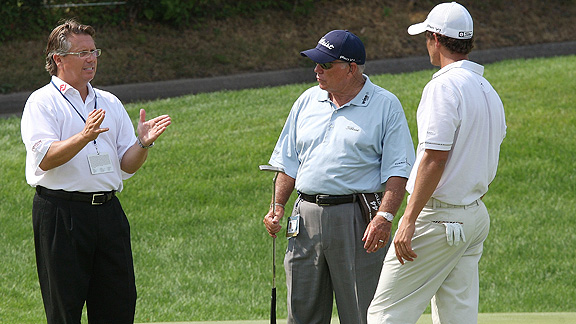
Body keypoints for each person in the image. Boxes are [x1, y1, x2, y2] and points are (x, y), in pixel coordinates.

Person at [21, 19, 171, 324]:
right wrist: (83, 137)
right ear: (58, 59)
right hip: (62, 214)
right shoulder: (42, 102)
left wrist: (142, 144)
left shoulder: (109, 101)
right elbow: (45, 159)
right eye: (82, 53)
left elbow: (125, 165)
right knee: (65, 307)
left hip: (108, 214)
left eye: (94, 51)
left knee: (119, 303)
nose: (91, 59)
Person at [263, 29, 415, 324]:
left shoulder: (385, 105)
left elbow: (398, 170)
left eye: (325, 64)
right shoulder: (307, 101)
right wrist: (277, 205)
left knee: (361, 312)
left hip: (358, 219)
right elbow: (287, 162)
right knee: (302, 312)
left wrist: (384, 218)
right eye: (316, 63)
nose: (316, 70)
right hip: (304, 219)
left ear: (351, 69)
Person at [367, 2, 507, 324]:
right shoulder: (488, 90)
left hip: (438, 219)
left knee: (386, 313)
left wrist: (408, 219)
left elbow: (434, 158)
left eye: (427, 39)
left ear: (435, 39)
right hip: (473, 217)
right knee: (456, 316)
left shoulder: (442, 86)